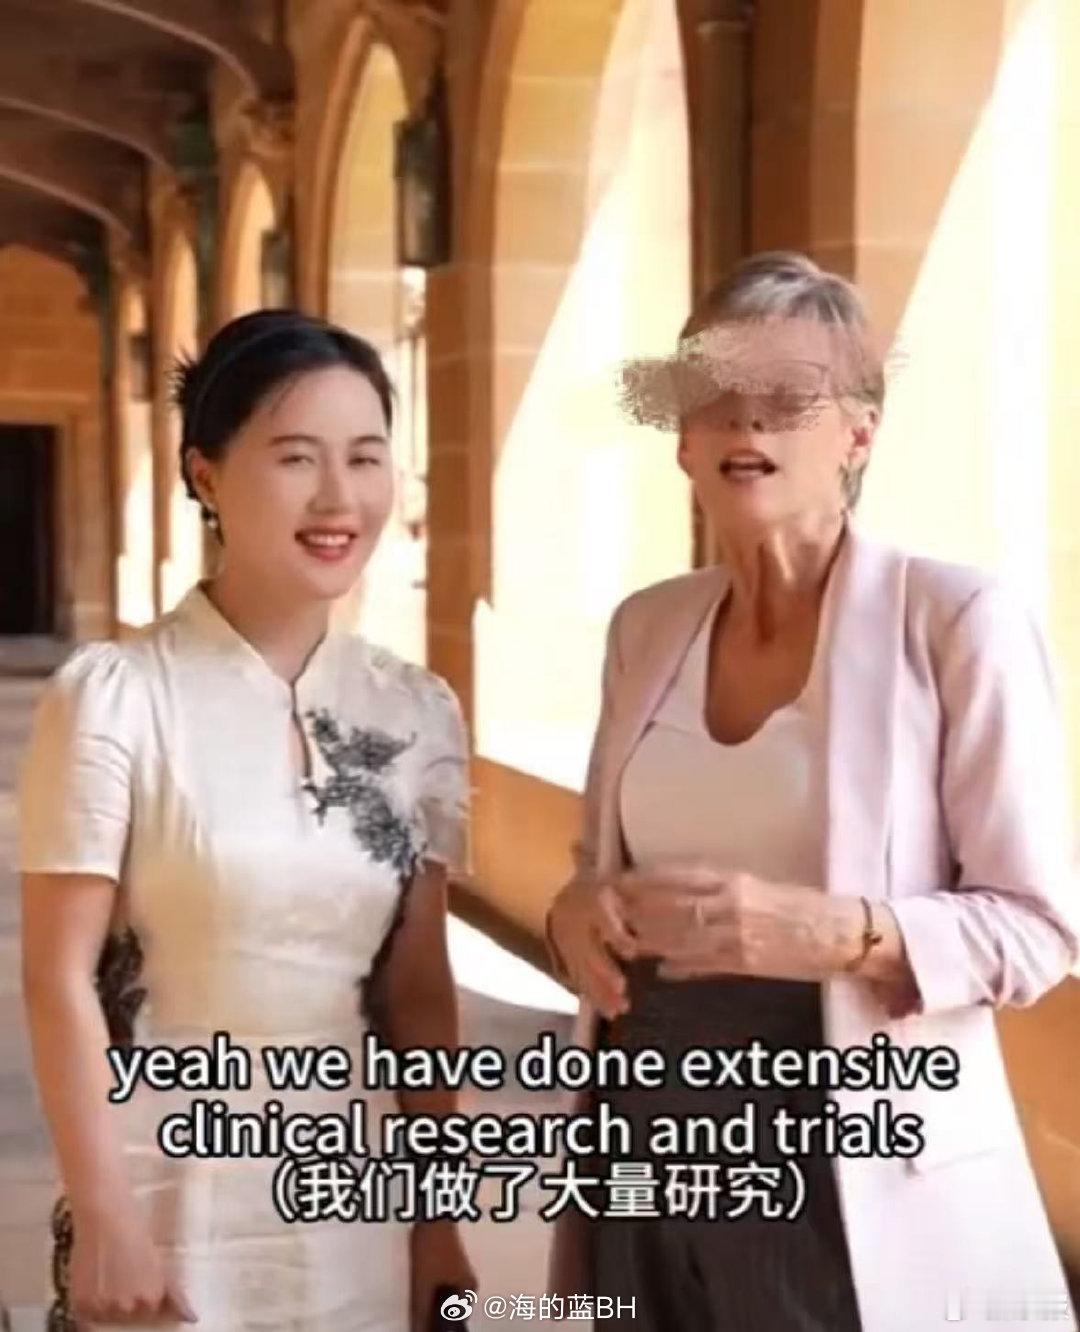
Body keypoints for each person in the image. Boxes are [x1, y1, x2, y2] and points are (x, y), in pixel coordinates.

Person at [544, 251, 1079, 1332]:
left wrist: (835, 933)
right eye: (716, 394)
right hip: (639, 1137)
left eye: (788, 396)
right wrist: (575, 913)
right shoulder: (645, 627)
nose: (748, 421)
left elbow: (1040, 926)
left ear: (858, 436)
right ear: (683, 437)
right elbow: (590, 876)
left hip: (850, 1167)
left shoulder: (957, 622)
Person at [18, 310, 475, 1332]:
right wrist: (104, 1213)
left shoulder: (414, 710)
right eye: (296, 457)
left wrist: (437, 1220)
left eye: (365, 457)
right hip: (165, 1193)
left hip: (353, 1198)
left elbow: (416, 995)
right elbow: (57, 977)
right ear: (207, 474)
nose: (338, 497)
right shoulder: (118, 695)